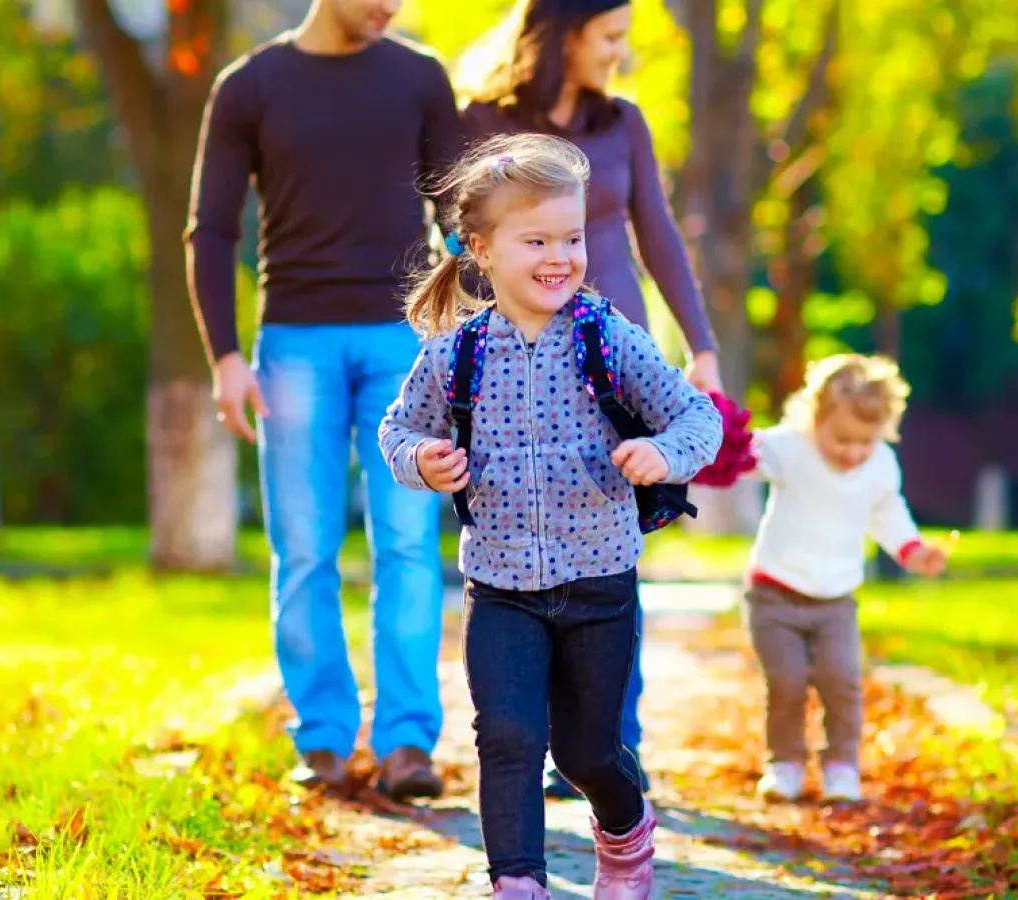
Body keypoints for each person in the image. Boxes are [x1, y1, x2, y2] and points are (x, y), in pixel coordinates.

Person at [379, 132, 722, 899]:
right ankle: (518, 883)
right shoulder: (455, 354)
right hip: (500, 586)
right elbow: (399, 430)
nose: (560, 257)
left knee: (587, 751)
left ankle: (627, 835)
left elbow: (697, 417)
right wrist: (422, 462)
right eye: (536, 240)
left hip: (599, 582)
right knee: (507, 738)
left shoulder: (606, 338)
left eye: (571, 238)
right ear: (481, 248)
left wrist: (664, 455)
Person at [184, 0, 462, 800]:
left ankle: (409, 741)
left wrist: (459, 331)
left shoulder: (418, 78)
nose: (390, 6)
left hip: (403, 344)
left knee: (407, 544)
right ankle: (325, 737)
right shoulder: (251, 86)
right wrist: (226, 358)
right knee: (303, 548)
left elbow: (456, 218)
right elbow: (210, 232)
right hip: (294, 343)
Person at [453, 0, 725, 799]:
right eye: (610, 37)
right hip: (519, 366)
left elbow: (659, 234)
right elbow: (462, 240)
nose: (620, 53)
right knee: (527, 550)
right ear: (563, 32)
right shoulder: (485, 123)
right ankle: (539, 738)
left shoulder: (623, 122)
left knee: (609, 551)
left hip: (615, 366)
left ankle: (610, 745)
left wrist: (700, 347)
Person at [733, 355, 949, 804]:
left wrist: (913, 550)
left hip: (835, 601)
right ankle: (786, 763)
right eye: (841, 439)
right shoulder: (790, 447)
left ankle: (841, 768)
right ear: (816, 418)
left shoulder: (882, 465)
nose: (852, 452)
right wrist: (716, 440)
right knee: (788, 681)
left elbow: (889, 512)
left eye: (864, 442)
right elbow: (740, 457)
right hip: (774, 594)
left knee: (842, 680)